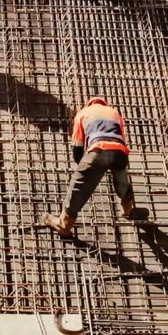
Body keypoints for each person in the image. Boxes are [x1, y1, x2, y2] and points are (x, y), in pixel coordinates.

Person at [43, 96, 146, 236]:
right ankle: (128, 211)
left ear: (88, 104)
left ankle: (64, 225)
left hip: (99, 150)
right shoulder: (114, 113)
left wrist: (84, 168)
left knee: (77, 187)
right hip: (120, 152)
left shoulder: (83, 113)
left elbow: (77, 147)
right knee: (122, 182)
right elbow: (121, 137)